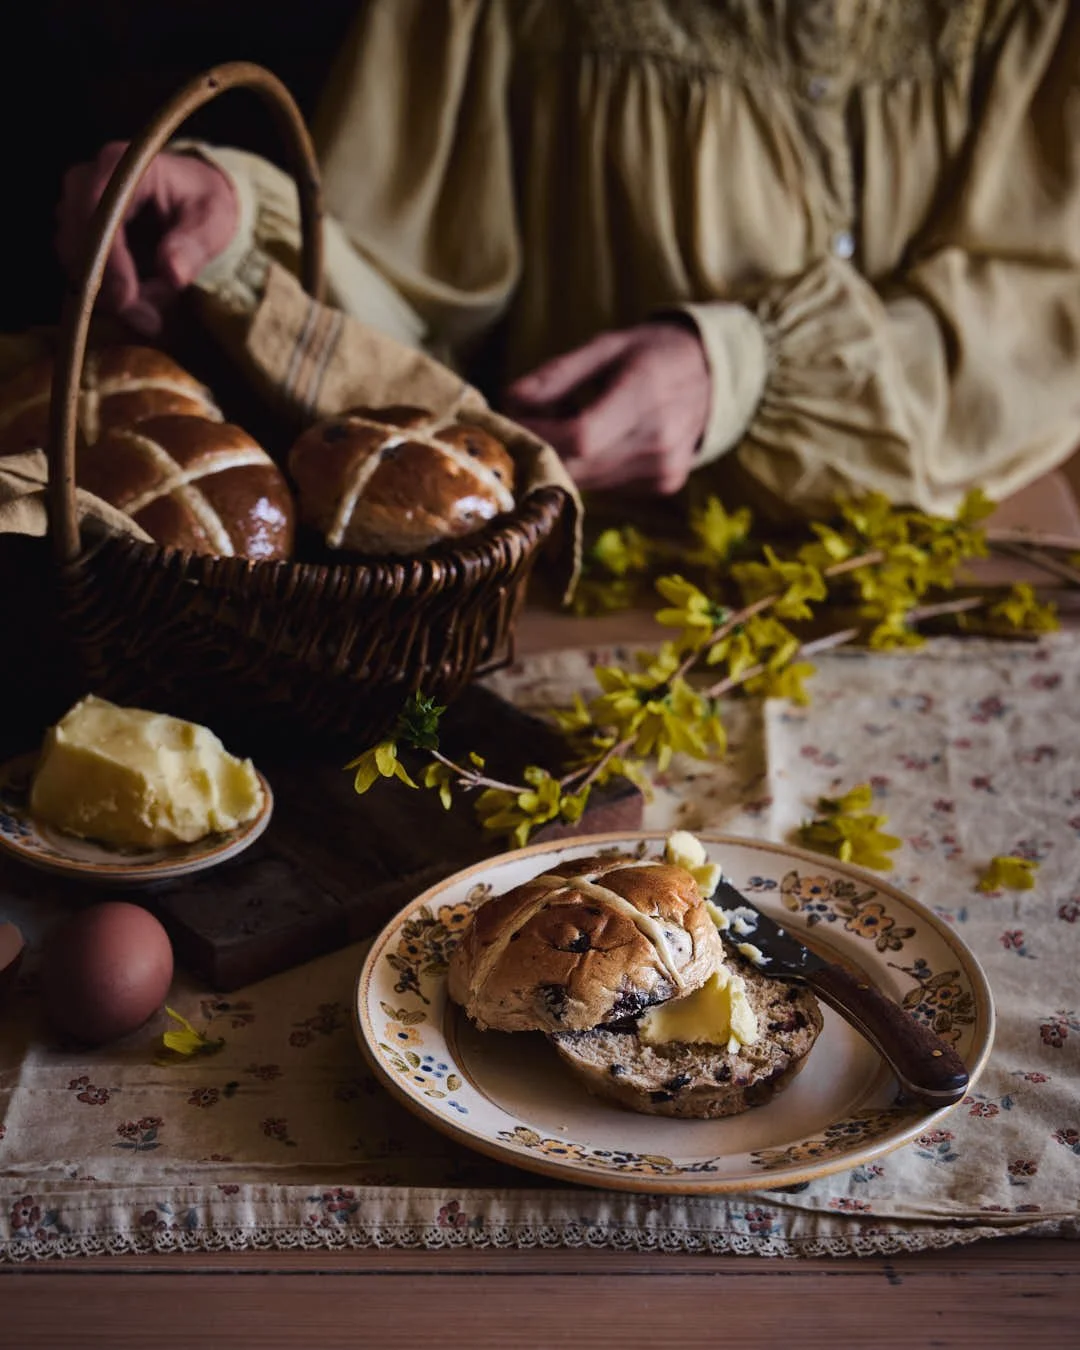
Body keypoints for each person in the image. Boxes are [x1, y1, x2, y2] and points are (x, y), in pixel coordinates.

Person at [54, 0, 1080, 518]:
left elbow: (1046, 308)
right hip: (596, 561)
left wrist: (741, 366)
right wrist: (238, 233)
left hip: (972, 554)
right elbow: (398, 306)